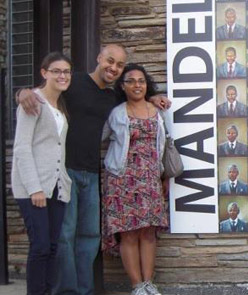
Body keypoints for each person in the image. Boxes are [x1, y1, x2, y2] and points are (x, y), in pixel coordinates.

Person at [16, 44, 170, 295]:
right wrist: (22, 92)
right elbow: (43, 91)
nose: (114, 68)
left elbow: (135, 100)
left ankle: (84, 290)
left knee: (89, 237)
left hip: (92, 173)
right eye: (110, 61)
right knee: (65, 237)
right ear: (99, 58)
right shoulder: (72, 81)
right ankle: (66, 291)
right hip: (65, 171)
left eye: (119, 65)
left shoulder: (112, 98)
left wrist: (152, 97)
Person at [101, 63, 167, 295]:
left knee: (148, 232)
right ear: (122, 85)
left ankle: (149, 283)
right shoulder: (117, 112)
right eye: (131, 81)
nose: (137, 85)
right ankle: (137, 286)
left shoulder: (156, 110)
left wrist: (163, 177)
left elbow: (163, 145)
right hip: (122, 179)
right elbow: (100, 137)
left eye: (141, 81)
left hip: (150, 179)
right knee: (128, 232)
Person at [11, 52, 73, 295]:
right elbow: (22, 147)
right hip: (33, 188)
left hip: (56, 187)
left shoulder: (60, 104)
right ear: (44, 73)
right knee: (40, 247)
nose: (62, 75)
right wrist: (34, 187)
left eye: (66, 71)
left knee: (52, 247)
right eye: (56, 70)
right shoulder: (32, 101)